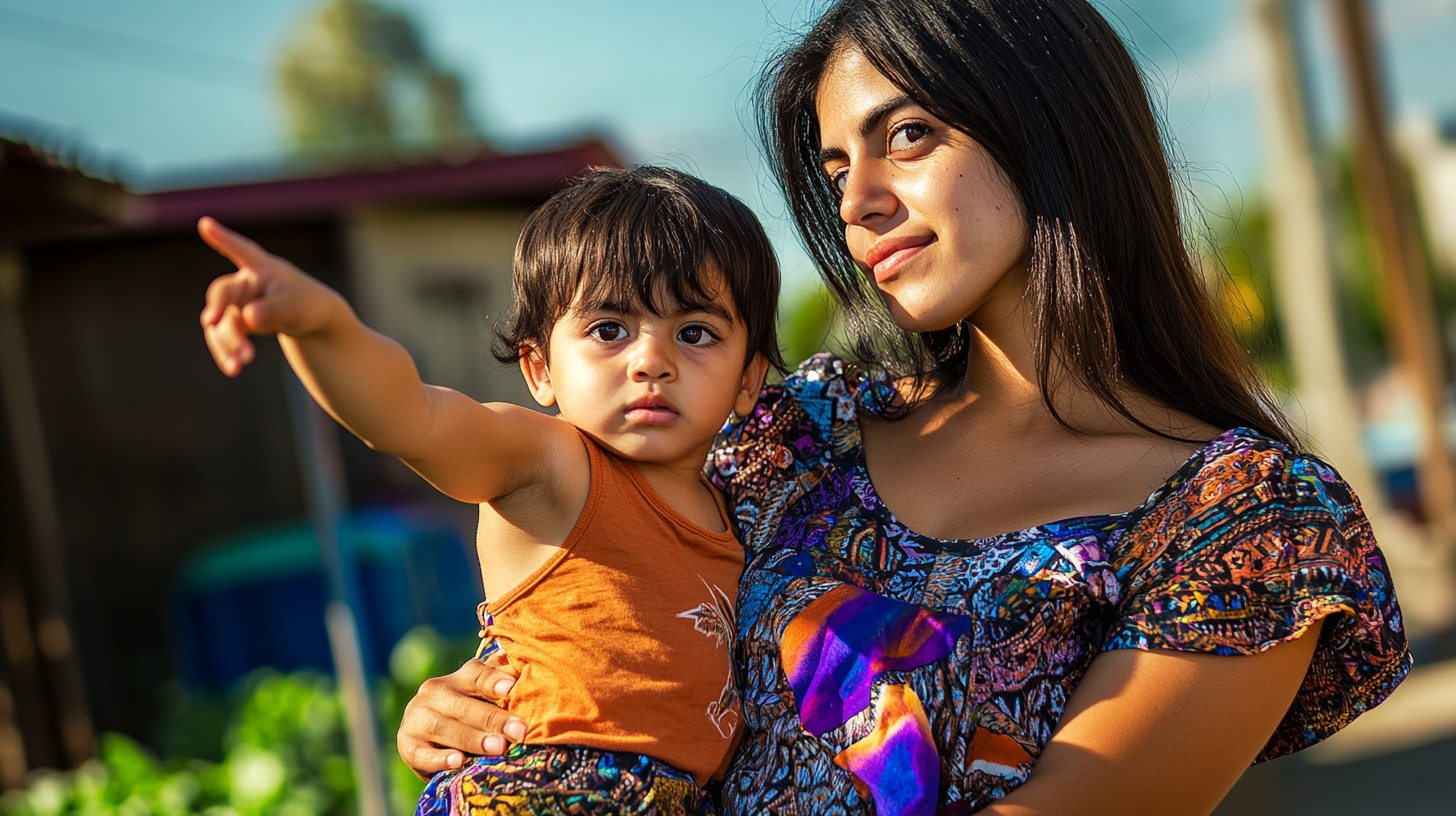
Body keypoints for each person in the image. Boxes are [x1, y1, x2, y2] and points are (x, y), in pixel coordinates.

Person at [395, 2, 1411, 814]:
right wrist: (478, 708)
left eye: (908, 137)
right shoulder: (787, 437)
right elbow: (603, 606)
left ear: (1048, 128)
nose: (856, 201)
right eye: (837, 167)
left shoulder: (1244, 523)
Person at [198, 166, 785, 815]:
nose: (651, 359)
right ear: (539, 368)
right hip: (544, 790)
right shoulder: (551, 463)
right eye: (609, 329)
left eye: (695, 332)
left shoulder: (737, 512)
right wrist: (320, 325)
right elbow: (409, 416)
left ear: (748, 379)